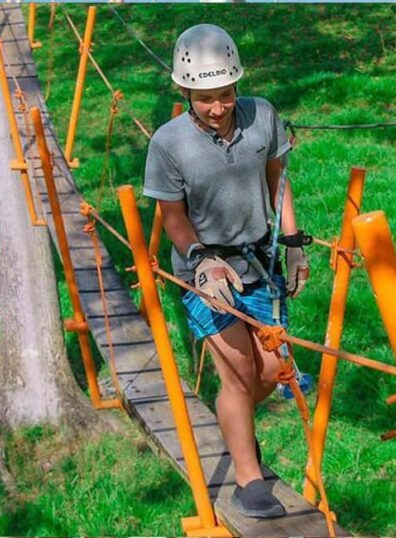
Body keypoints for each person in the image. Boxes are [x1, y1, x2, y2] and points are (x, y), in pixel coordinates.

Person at [143, 23, 309, 519]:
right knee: (237, 375)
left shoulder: (262, 118)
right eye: (204, 98)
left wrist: (293, 244)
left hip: (259, 263)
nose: (217, 107)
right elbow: (173, 218)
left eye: (225, 94)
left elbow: (278, 182)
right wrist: (202, 261)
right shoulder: (168, 144)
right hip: (207, 272)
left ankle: (237, 427)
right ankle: (248, 480)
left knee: (269, 372)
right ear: (183, 92)